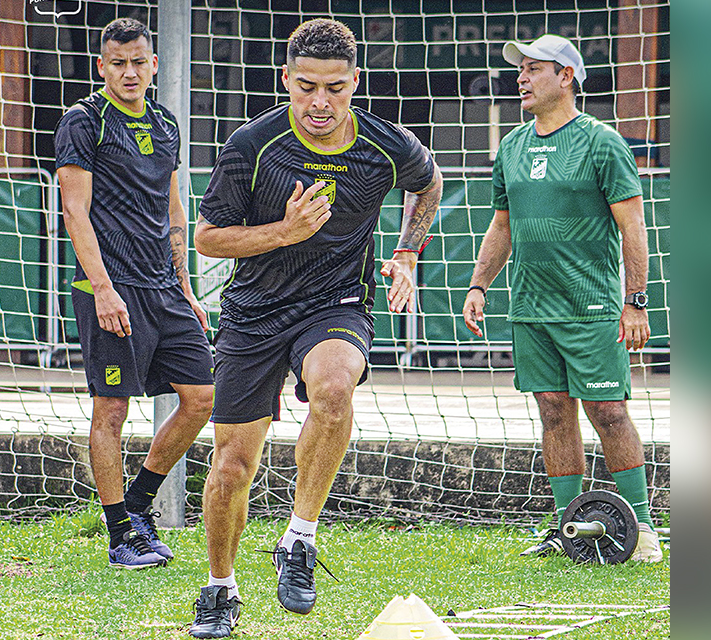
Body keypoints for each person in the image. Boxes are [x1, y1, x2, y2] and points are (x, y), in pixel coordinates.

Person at [187, 18, 443, 638]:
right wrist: (286, 231)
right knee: (230, 468)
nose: (320, 101)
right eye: (306, 87)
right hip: (253, 312)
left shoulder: (385, 144)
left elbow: (429, 181)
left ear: (355, 81)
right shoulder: (253, 146)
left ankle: (298, 538)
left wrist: (408, 253)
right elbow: (207, 237)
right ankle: (220, 589)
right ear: (286, 80)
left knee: (333, 390)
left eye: (334, 87)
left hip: (336, 303)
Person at [462, 34, 662, 563]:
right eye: (520, 70)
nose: (520, 79)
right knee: (553, 413)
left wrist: (634, 300)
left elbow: (634, 226)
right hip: (530, 310)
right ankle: (567, 525)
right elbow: (501, 225)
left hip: (592, 310)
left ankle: (640, 526)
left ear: (566, 77)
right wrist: (479, 284)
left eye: (532, 69)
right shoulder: (511, 146)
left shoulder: (602, 142)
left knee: (608, 412)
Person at [54, 18, 214, 570]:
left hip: (164, 289)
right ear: (103, 66)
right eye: (118, 63)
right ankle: (120, 533)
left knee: (201, 397)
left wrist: (187, 284)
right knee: (112, 408)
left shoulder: (166, 122)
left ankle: (140, 506)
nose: (129, 72)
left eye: (138, 62)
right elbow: (74, 210)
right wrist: (103, 288)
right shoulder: (84, 122)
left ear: (152, 66)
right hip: (109, 289)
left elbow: (174, 211)